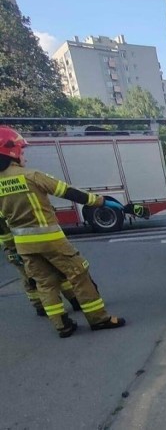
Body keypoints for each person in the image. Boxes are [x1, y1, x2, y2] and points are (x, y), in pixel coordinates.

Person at [0, 126, 126, 338]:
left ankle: (62, 326)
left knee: (45, 283)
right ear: (11, 151)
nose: (24, 156)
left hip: (24, 246)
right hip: (51, 241)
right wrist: (100, 200)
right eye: (22, 151)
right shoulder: (31, 176)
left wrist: (11, 248)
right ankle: (99, 319)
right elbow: (68, 192)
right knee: (79, 274)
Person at [1, 217, 81, 316]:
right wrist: (13, 248)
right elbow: (5, 233)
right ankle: (41, 306)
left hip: (29, 242)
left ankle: (73, 300)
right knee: (31, 278)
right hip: (17, 247)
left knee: (55, 272)